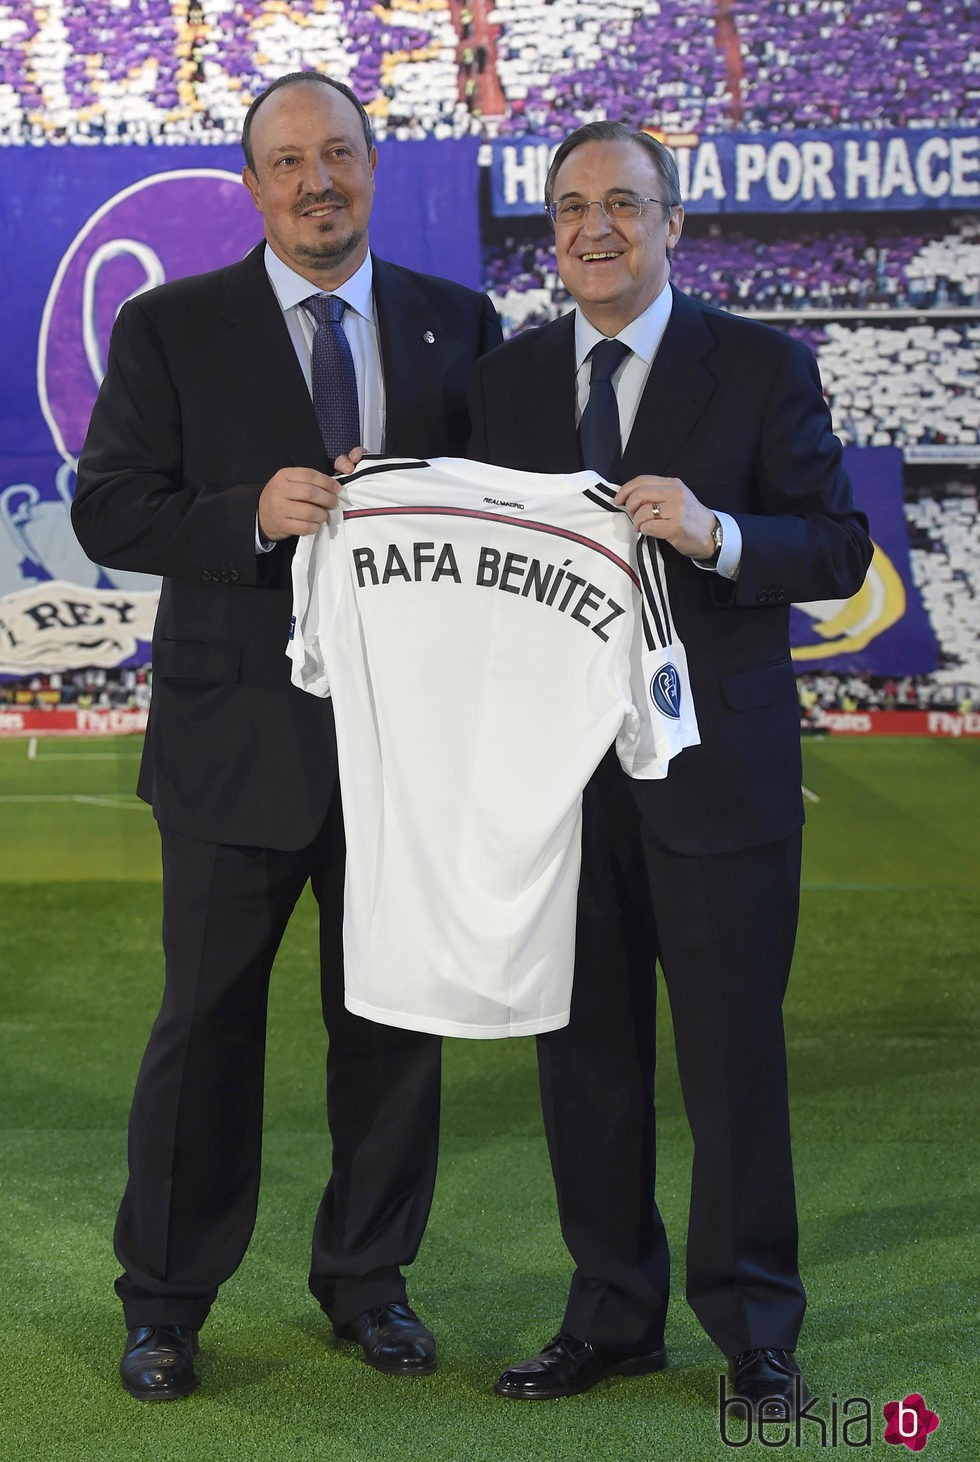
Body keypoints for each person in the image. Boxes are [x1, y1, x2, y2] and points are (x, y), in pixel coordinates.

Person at [72, 71, 502, 1401]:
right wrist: (248, 513)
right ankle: (166, 1300)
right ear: (253, 185)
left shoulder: (458, 324)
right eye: (289, 161)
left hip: (407, 752)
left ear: (374, 170)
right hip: (230, 747)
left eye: (340, 155)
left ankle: (370, 1280)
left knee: (392, 1027)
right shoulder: (169, 327)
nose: (318, 180)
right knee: (204, 1033)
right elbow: (111, 511)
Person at [467, 121, 873, 1417]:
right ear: (551, 229)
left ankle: (755, 1324)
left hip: (718, 782)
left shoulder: (762, 366)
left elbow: (837, 547)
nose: (597, 227)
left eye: (625, 205)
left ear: (675, 222)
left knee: (732, 1064)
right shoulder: (506, 383)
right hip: (560, 788)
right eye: (573, 205)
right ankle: (611, 1314)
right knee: (582, 1062)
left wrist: (716, 532)